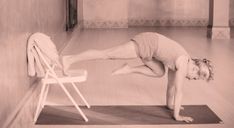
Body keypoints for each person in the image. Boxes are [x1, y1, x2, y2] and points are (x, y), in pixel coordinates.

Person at [62, 32, 214, 123]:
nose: (193, 76)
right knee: (107, 54)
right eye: (195, 73)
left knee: (160, 72)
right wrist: (178, 116)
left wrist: (170, 106)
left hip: (152, 49)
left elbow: (171, 87)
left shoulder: (180, 63)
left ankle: (129, 69)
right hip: (146, 43)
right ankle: (69, 60)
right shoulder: (183, 62)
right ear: (194, 65)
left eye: (195, 78)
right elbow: (179, 91)